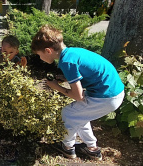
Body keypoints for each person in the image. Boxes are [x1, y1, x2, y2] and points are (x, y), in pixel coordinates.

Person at [31, 25, 124, 160]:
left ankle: (67, 147)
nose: (40, 58)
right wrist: (65, 78)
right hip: (112, 92)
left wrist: (55, 86)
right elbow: (85, 73)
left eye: (39, 55)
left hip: (106, 97)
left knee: (68, 113)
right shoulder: (72, 53)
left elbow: (78, 96)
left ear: (48, 50)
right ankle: (92, 149)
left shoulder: (66, 62)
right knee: (80, 114)